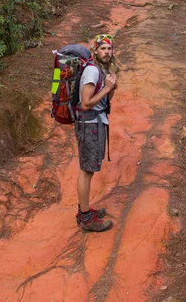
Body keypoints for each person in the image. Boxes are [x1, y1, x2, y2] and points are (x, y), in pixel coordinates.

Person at [75, 34, 117, 232]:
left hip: (95, 122)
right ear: (95, 51)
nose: (106, 52)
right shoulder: (92, 71)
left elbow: (104, 99)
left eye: (109, 49)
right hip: (89, 123)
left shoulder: (102, 70)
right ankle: (85, 218)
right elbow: (85, 104)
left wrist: (111, 88)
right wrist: (107, 87)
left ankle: (85, 211)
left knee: (89, 169)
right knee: (86, 170)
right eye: (103, 49)